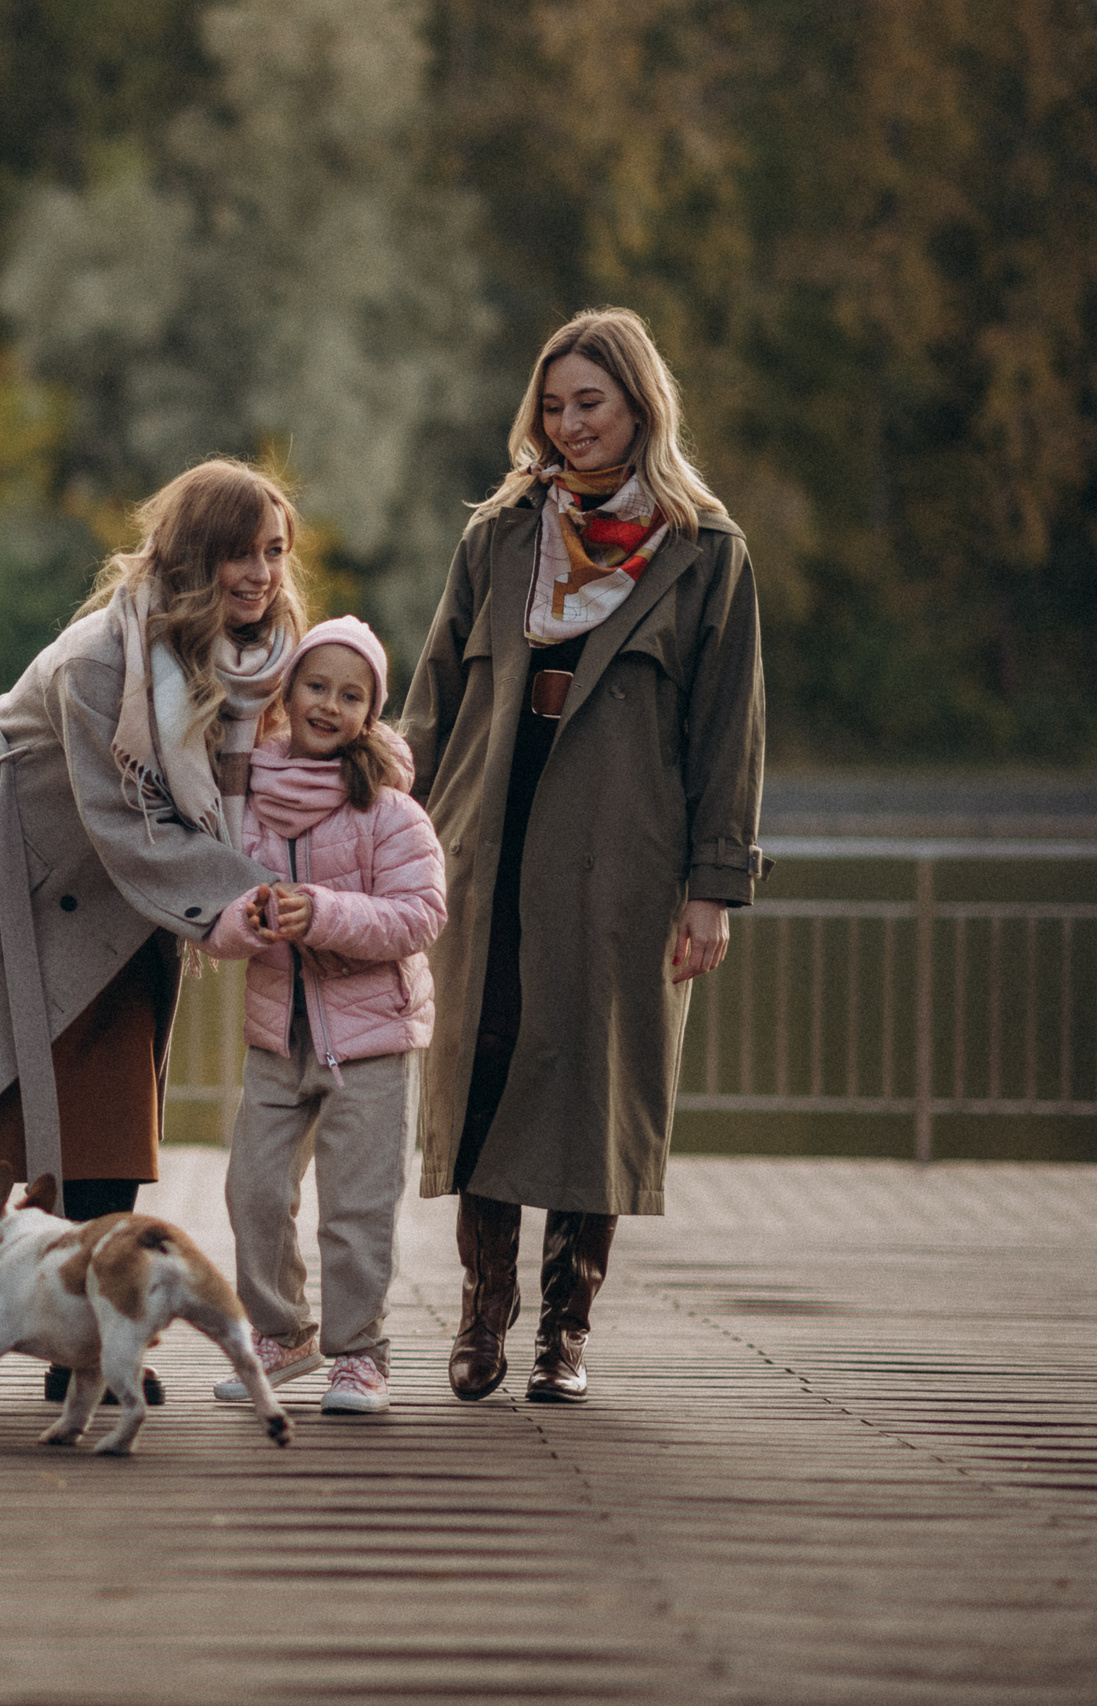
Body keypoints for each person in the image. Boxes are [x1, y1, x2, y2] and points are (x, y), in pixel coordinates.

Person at [0, 458, 310, 1404]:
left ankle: (92, 1331)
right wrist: (252, 900)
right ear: (191, 556)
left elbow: (284, 781)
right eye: (238, 552)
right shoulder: (99, 661)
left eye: (274, 551)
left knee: (113, 1101)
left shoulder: (268, 661)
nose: (261, 573)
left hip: (120, 892)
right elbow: (124, 817)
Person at [399, 306, 769, 1404]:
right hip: (488, 847)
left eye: (590, 403)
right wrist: (383, 827)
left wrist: (713, 889)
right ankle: (483, 1314)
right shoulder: (502, 533)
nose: (569, 425)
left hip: (624, 865)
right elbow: (432, 696)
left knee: (596, 1085)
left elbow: (728, 732)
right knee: (486, 1065)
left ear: (640, 406)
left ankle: (565, 1330)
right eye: (553, 405)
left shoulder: (708, 552)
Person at [205, 616, 445, 1417]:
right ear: (287, 693)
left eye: (350, 696)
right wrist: (247, 921)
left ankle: (360, 1355)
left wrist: (327, 912)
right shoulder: (249, 801)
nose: (328, 706)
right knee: (253, 1191)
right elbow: (215, 911)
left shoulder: (391, 810)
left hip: (371, 1041)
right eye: (316, 686)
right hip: (279, 1035)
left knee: (356, 1209)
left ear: (370, 713)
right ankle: (283, 1334)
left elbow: (420, 915)